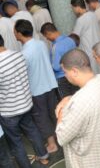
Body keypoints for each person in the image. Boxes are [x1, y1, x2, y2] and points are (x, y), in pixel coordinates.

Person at [55, 49, 100, 168]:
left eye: (65, 72)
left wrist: (60, 111)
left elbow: (61, 137)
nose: (65, 76)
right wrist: (70, 98)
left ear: (75, 71)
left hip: (90, 161)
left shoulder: (79, 102)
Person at [0, 34, 49, 167]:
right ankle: (44, 157)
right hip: (26, 104)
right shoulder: (19, 55)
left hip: (8, 111)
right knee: (32, 130)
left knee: (16, 142)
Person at [14, 19, 59, 153]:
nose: (14, 34)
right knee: (54, 113)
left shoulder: (23, 54)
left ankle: (52, 144)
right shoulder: (41, 44)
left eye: (15, 32)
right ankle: (61, 138)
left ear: (20, 34)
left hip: (37, 89)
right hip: (50, 83)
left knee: (41, 117)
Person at [40, 23, 78, 98]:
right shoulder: (70, 40)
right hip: (75, 73)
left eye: (46, 36)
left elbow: (56, 67)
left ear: (48, 33)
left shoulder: (56, 47)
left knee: (66, 102)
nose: (47, 39)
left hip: (62, 79)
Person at [71, 0, 100, 73]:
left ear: (77, 7)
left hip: (88, 49)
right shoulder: (92, 14)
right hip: (97, 45)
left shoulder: (81, 20)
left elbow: (75, 36)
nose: (73, 10)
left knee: (93, 71)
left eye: (73, 8)